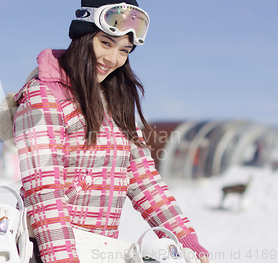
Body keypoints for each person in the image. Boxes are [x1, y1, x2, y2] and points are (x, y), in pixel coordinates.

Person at [11, 1, 210, 262]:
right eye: (106, 43)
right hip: (44, 249)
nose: (113, 59)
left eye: (124, 50)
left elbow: (143, 178)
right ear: (83, 36)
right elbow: (44, 189)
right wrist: (63, 258)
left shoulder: (115, 100)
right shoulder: (43, 95)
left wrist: (184, 239)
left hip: (98, 249)